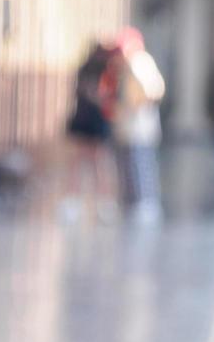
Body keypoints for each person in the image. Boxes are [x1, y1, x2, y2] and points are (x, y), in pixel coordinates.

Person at [59, 37, 119, 223]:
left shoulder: (98, 69)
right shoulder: (98, 70)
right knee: (92, 162)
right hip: (91, 119)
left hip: (88, 119)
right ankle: (91, 203)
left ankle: (95, 203)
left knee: (89, 162)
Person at [111, 26, 166, 225]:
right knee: (130, 165)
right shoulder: (126, 65)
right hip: (128, 127)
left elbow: (153, 90)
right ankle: (133, 202)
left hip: (138, 127)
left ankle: (145, 202)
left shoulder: (139, 62)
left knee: (140, 165)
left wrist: (135, 105)